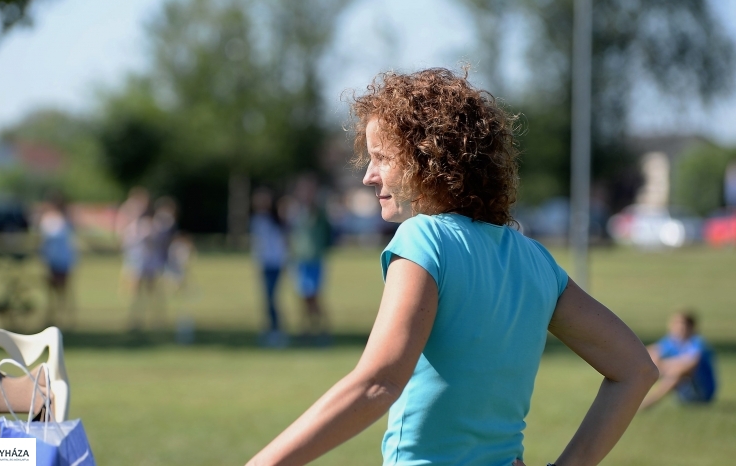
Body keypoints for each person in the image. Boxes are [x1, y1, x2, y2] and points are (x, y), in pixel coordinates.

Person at [246, 68, 658, 466]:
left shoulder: (422, 237)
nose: (369, 176)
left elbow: (378, 382)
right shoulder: (536, 259)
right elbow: (635, 369)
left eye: (381, 157)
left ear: (427, 158)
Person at [639, 310, 717, 409]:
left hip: (702, 393)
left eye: (681, 324)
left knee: (677, 371)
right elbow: (650, 352)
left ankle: (647, 404)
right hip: (684, 395)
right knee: (652, 365)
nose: (677, 327)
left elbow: (691, 363)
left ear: (691, 327)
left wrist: (663, 365)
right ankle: (634, 398)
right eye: (674, 323)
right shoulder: (672, 342)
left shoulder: (697, 342)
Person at [288, 175, 333, 343]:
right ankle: (306, 329)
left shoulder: (318, 211)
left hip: (314, 259)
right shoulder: (296, 211)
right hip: (299, 260)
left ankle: (322, 330)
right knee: (303, 297)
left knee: (313, 296)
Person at [250, 188, 289, 348]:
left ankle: (276, 330)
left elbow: (283, 242)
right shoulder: (256, 220)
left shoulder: (276, 220)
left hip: (276, 263)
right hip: (264, 264)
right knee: (267, 299)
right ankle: (271, 328)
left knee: (272, 298)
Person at [38, 193, 77, 328]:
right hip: (50, 259)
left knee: (63, 290)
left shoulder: (65, 220)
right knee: (50, 290)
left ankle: (66, 318)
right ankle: (51, 317)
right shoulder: (47, 219)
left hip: (63, 259)